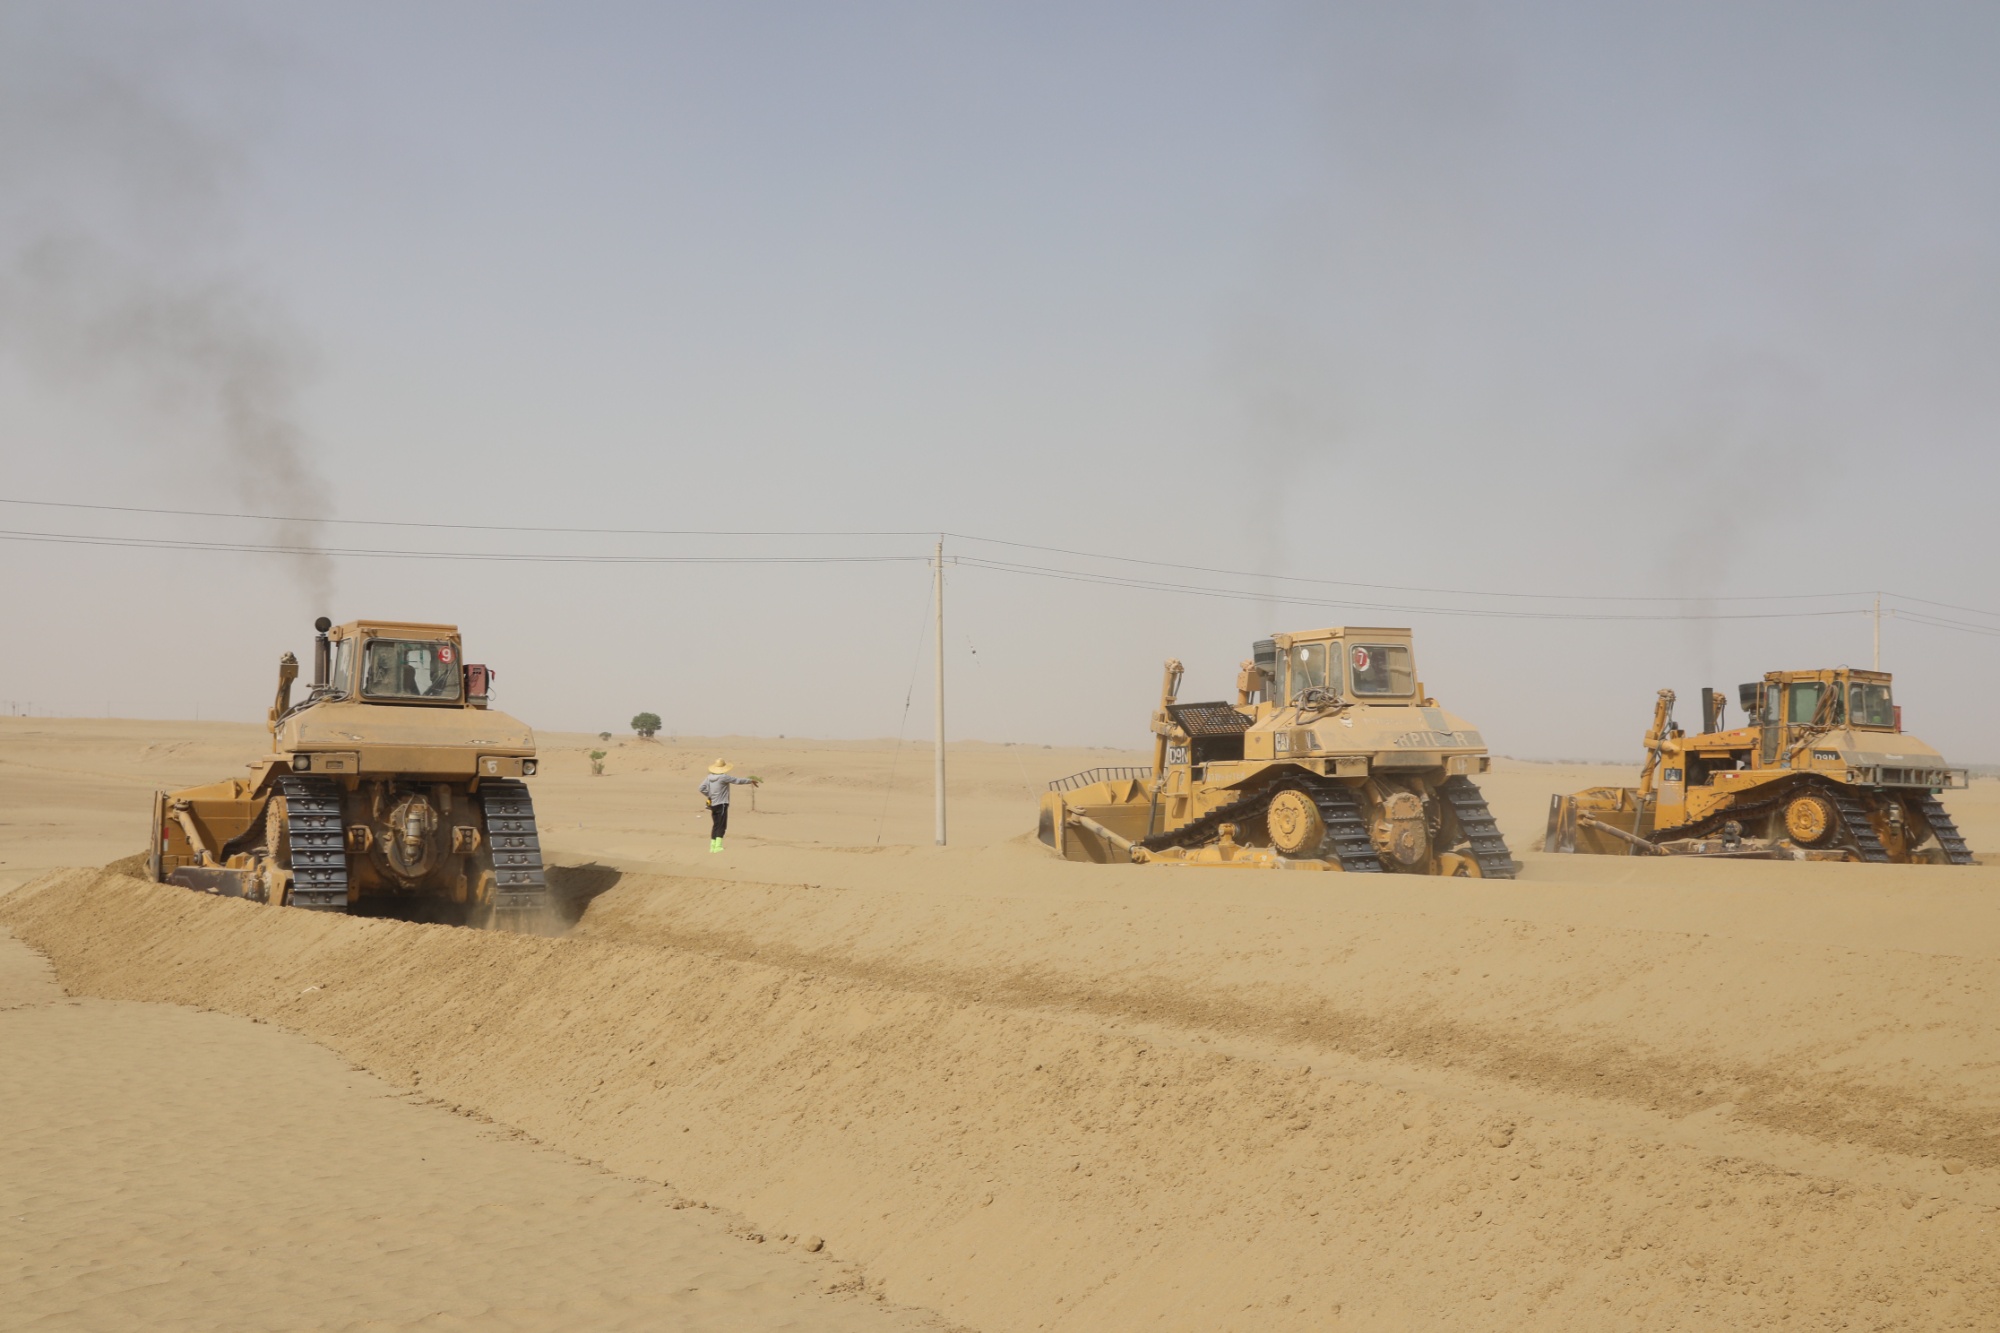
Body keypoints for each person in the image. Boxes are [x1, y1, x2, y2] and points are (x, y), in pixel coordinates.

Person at [699, 759, 760, 852]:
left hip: (713, 804)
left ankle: (712, 846)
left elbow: (701, 788)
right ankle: (718, 847)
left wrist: (710, 795)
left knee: (716, 825)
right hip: (722, 804)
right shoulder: (723, 777)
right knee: (722, 825)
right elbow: (737, 780)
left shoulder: (709, 777)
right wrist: (750, 780)